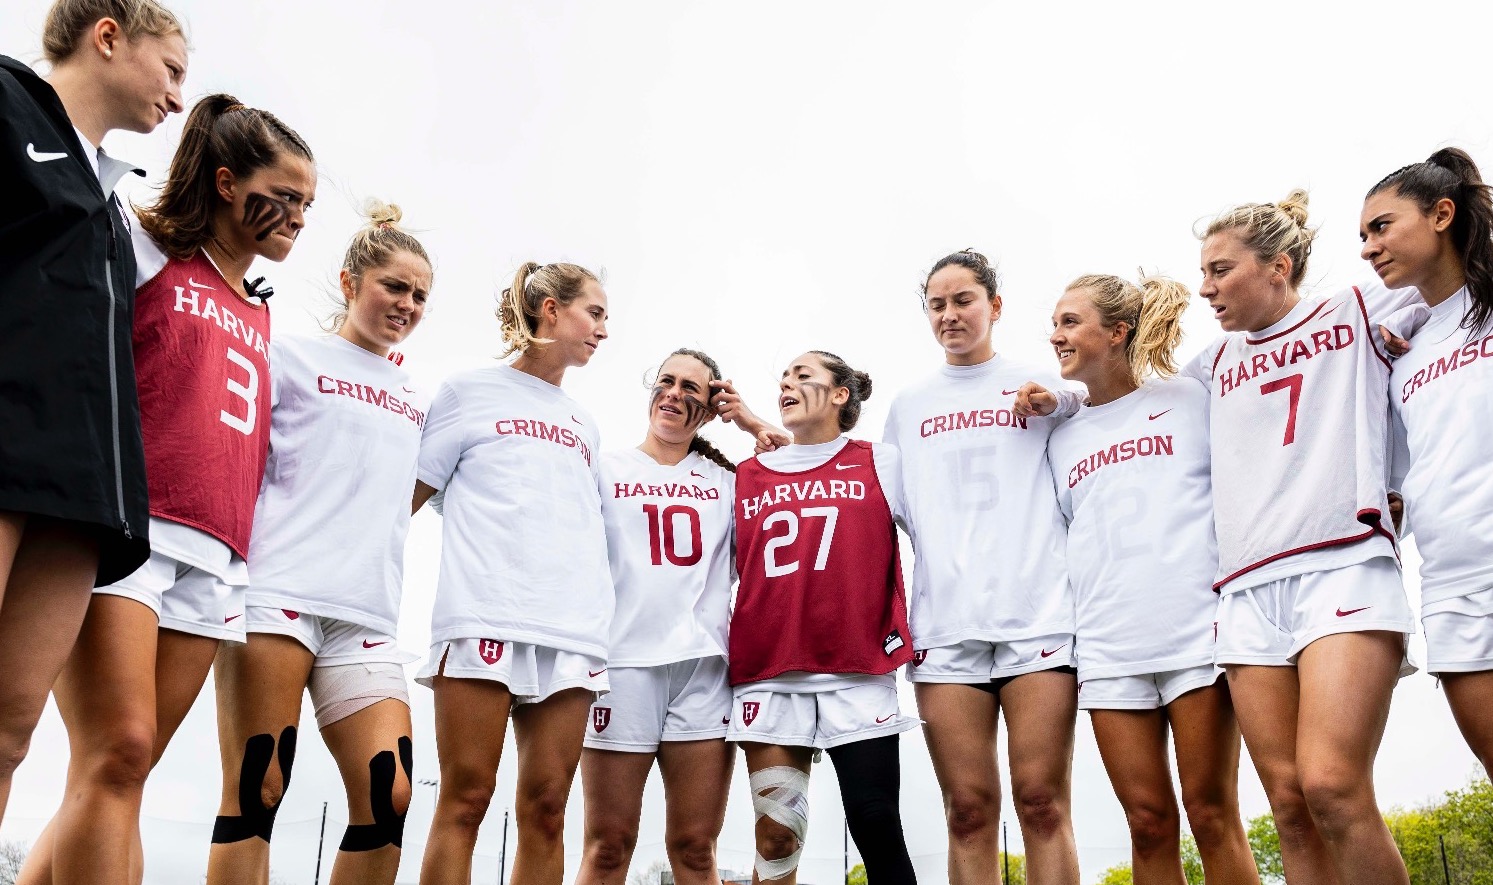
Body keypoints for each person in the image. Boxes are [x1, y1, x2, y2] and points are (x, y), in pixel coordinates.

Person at [18, 93, 315, 885]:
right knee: (118, 748)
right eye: (284, 198)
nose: (296, 217)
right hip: (130, 534)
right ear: (225, 183)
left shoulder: (257, 305)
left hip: (217, 555)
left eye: (307, 205)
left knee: (124, 769)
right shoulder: (138, 245)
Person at [206, 203, 433, 885]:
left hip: (365, 612)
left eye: (420, 294)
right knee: (259, 786)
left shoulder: (421, 398)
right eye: (394, 285)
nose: (407, 303)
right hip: (277, 593)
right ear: (349, 280)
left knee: (389, 795)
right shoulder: (286, 354)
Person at [0, 0, 185, 827]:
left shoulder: (113, 201)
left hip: (79, 497)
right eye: (172, 70)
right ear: (108, 37)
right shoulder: (5, 105)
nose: (178, 97)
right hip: (6, 453)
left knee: (9, 732)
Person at [1192, 191, 1412, 884]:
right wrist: (1061, 398)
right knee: (1288, 804)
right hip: (1246, 590)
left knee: (1331, 786)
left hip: (1342, 565)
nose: (1206, 287)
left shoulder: (1359, 308)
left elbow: (1454, 292)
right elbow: (1125, 395)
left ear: (1278, 265)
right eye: (1202, 272)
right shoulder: (1209, 363)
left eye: (1221, 269)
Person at [1040, 273, 1258, 884]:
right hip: (1109, 647)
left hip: (1196, 637)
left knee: (1213, 815)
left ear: (1118, 331)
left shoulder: (1190, 398)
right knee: (1148, 823)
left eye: (1069, 321)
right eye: (1054, 323)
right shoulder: (1060, 436)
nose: (1055, 335)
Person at [882, 250, 1080, 884]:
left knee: (1041, 803)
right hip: (946, 628)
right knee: (967, 811)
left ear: (994, 306)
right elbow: (891, 507)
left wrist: (1060, 398)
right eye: (936, 305)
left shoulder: (1040, 381)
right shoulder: (908, 406)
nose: (950, 314)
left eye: (963, 300)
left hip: (1039, 621)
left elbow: (1090, 401)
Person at [413, 262, 611, 885]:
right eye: (596, 313)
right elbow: (406, 497)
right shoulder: (467, 391)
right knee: (466, 800)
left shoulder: (585, 423)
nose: (604, 329)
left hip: (573, 630)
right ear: (551, 310)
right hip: (483, 614)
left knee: (547, 810)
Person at [576, 348, 771, 885]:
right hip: (624, 666)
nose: (675, 394)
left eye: (692, 389)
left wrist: (750, 421)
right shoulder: (603, 468)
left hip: (703, 670)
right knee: (608, 846)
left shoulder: (727, 482)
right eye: (667, 381)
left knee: (696, 847)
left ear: (710, 409)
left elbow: (793, 474)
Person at [730, 350, 918, 884]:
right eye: (783, 377)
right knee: (777, 836)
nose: (786, 383)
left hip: (857, 670)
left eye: (803, 376)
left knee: (876, 823)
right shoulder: (744, 475)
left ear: (840, 394)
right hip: (770, 677)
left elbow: (932, 538)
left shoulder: (881, 460)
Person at [1361, 148, 1493, 773]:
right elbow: (1414, 470)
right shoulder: (1403, 353)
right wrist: (1396, 508)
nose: (1368, 247)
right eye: (1364, 235)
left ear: (1442, 214)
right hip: (1452, 585)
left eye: (1381, 226)